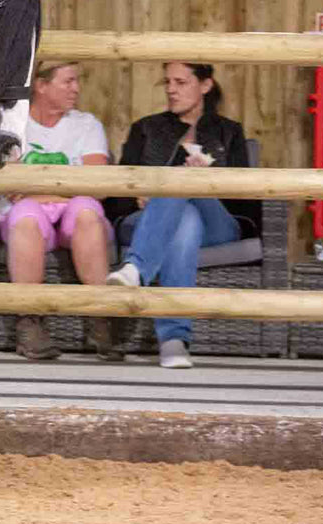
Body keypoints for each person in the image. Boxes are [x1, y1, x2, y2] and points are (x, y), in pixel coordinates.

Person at [106, 62, 260, 369]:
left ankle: (136, 267)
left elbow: (246, 201)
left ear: (205, 85)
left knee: (183, 185)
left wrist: (208, 183)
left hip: (217, 221)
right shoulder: (146, 128)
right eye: (167, 82)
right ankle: (174, 341)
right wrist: (136, 194)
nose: (171, 89)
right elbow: (118, 190)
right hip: (147, 219)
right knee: (185, 220)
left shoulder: (229, 132)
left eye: (180, 82)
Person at [0, 61, 119, 361]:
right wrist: (69, 186)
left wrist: (35, 187)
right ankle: (30, 324)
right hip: (25, 214)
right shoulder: (12, 125)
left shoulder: (86, 125)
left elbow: (97, 185)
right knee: (25, 215)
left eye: (77, 81)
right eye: (68, 81)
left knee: (87, 211)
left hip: (73, 216)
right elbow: (11, 186)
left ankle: (99, 318)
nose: (76, 89)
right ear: (40, 85)